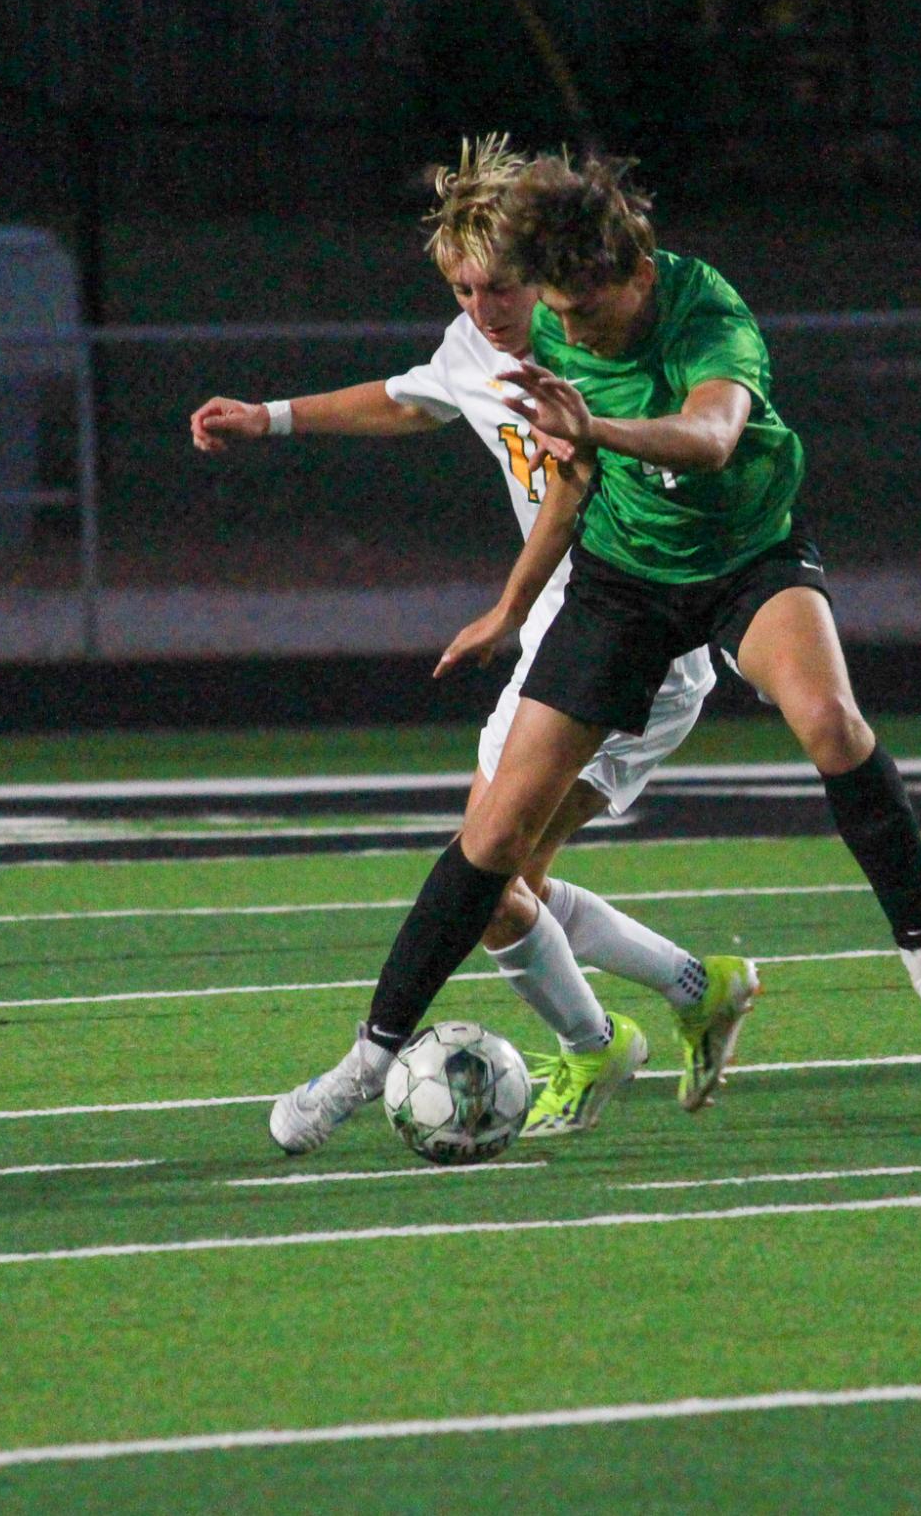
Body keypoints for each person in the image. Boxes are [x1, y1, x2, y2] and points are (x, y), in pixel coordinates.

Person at [271, 145, 921, 1142]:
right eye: (550, 312)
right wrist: (511, 607)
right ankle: (367, 1059)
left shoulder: (706, 310)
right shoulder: (559, 335)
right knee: (492, 846)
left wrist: (599, 426)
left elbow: (709, 437)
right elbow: (566, 485)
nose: (562, 331)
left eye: (576, 311)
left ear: (622, 269)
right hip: (622, 584)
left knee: (830, 721)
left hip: (746, 556)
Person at [188, 135, 758, 1151]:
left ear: (547, 273)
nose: (484, 312)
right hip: (561, 637)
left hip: (633, 641)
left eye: (499, 287)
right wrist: (270, 417)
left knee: (491, 877)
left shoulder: (589, 355)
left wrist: (504, 607)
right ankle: (685, 990)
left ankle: (564, 1041)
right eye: (461, 291)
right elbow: (414, 398)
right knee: (501, 885)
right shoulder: (480, 346)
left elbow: (576, 503)